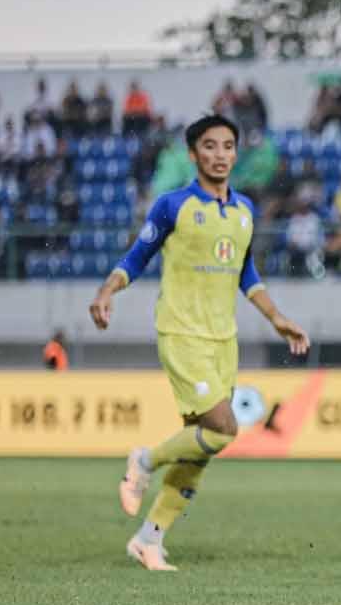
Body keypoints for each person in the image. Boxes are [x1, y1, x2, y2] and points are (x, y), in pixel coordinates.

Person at [89, 115, 311, 572]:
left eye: (228, 145)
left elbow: (247, 274)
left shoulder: (245, 210)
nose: (220, 154)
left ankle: (150, 539)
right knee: (223, 427)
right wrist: (107, 291)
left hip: (222, 340)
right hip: (182, 333)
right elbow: (137, 257)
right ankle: (144, 460)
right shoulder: (173, 206)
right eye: (210, 146)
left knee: (202, 445)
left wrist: (278, 319)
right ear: (193, 154)